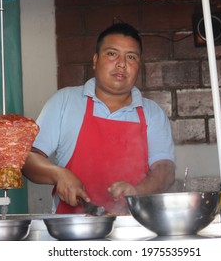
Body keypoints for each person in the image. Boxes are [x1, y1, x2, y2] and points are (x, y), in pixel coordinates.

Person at [22, 22, 176, 214]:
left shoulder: (152, 113)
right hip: (71, 232)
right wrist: (59, 174)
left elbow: (165, 170)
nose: (122, 63)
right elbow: (27, 159)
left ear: (139, 66)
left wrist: (136, 192)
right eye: (112, 54)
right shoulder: (65, 101)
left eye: (131, 57)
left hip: (134, 229)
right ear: (95, 60)